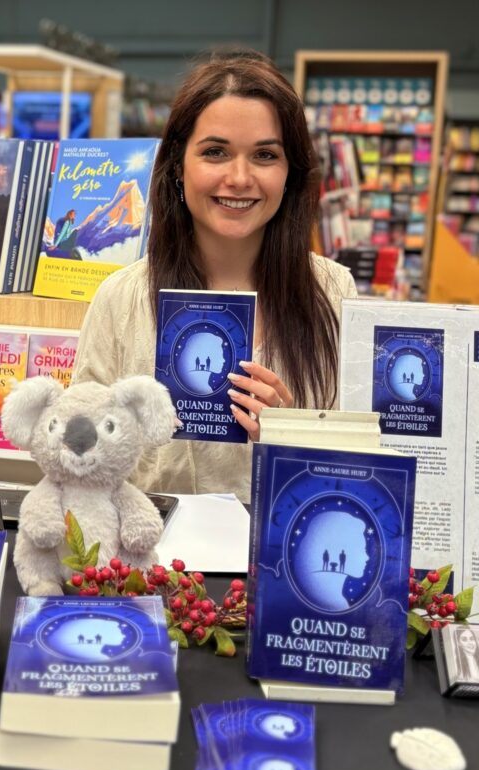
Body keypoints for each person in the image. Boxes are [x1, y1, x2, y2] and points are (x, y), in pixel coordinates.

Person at [72, 49, 358, 502]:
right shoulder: (121, 299)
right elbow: (75, 461)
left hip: (276, 543)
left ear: (291, 173)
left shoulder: (335, 292)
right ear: (178, 166)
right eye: (215, 152)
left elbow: (357, 474)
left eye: (265, 155)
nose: (239, 177)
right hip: (149, 546)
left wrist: (292, 441)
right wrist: (120, 434)